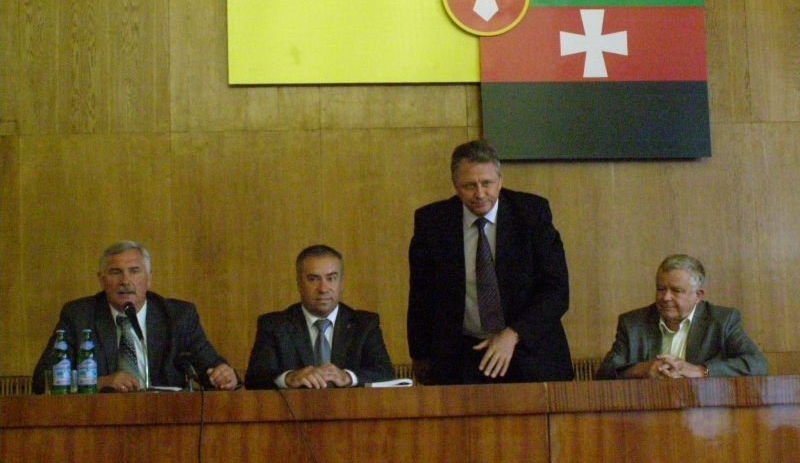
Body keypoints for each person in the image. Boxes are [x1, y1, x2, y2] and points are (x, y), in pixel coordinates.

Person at [407, 139, 573, 385]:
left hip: (529, 352)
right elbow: (421, 296)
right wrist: (420, 355)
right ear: (455, 185)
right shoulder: (433, 223)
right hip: (461, 358)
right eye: (469, 186)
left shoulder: (531, 214)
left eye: (487, 183)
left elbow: (556, 291)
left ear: (500, 180)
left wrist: (513, 334)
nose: (480, 194)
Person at [32, 241, 239, 393]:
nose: (125, 281)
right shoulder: (79, 316)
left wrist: (225, 376)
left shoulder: (178, 316)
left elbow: (212, 368)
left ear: (149, 279)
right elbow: (42, 380)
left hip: (166, 420)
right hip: (98, 419)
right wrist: (100, 382)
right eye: (116, 272)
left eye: (134, 271)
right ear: (101, 280)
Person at [245, 244, 395, 389]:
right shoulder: (274, 326)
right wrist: (289, 378)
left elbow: (386, 373)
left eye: (331, 278)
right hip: (296, 406)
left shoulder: (364, 324)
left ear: (341, 282)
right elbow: (255, 378)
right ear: (299, 283)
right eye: (313, 279)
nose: (323, 289)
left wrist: (348, 377)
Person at [596, 254, 768, 379]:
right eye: (661, 289)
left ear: (698, 295)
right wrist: (643, 370)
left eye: (676, 291)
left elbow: (757, 364)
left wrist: (700, 371)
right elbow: (605, 372)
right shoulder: (633, 323)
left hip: (703, 409)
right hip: (647, 409)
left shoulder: (721, 321)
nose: (665, 297)